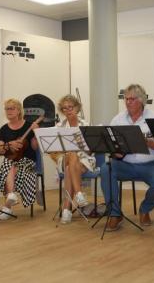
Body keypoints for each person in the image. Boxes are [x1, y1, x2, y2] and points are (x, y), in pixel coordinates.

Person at [100, 84, 154, 231]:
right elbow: (111, 144)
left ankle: (145, 209)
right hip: (124, 163)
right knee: (106, 169)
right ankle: (115, 214)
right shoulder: (118, 119)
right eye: (126, 99)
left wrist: (146, 142)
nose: (128, 102)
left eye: (132, 99)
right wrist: (115, 151)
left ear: (142, 100)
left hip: (150, 164)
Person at [52, 94, 96, 224]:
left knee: (69, 167)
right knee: (71, 154)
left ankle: (66, 209)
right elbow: (54, 151)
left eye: (70, 107)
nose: (68, 110)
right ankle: (78, 193)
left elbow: (91, 150)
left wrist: (81, 144)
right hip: (64, 158)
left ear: (77, 108)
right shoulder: (59, 126)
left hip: (85, 158)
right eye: (64, 108)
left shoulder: (86, 125)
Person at [0, 99, 39, 220]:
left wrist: (36, 133)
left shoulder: (29, 126)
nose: (8, 111)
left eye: (12, 108)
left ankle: (7, 206)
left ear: (19, 110)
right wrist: (9, 144)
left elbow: (35, 147)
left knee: (7, 167)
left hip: (27, 162)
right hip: (10, 162)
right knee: (10, 164)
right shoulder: (4, 129)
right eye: (7, 108)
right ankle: (10, 198)